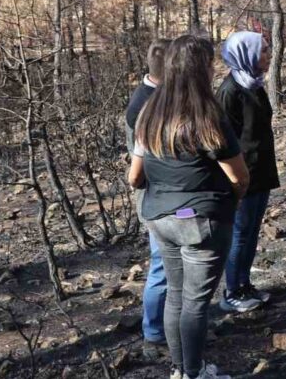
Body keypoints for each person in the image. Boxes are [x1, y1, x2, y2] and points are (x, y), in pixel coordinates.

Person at [129, 35, 250, 379]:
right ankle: (195, 373)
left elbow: (134, 176)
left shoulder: (148, 113)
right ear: (202, 69)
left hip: (161, 219)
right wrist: (227, 203)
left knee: (176, 297)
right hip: (201, 222)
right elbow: (239, 177)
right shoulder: (208, 115)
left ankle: (181, 370)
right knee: (195, 303)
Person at [216, 31, 280, 313]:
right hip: (242, 175)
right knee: (240, 233)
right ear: (247, 54)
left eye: (267, 49)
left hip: (261, 169)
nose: (268, 55)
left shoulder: (255, 84)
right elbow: (224, 141)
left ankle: (244, 283)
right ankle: (231, 292)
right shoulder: (230, 91)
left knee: (253, 230)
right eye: (263, 50)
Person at [124, 38, 170, 360]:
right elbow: (138, 170)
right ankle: (153, 335)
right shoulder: (146, 104)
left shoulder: (153, 95)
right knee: (162, 269)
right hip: (155, 197)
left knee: (170, 267)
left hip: (160, 196)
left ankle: (167, 328)